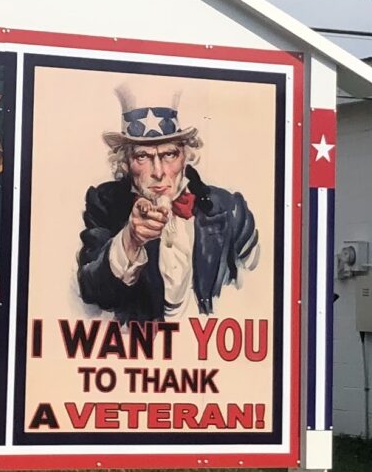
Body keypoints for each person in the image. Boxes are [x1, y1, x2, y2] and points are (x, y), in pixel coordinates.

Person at [77, 87, 259, 323]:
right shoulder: (105, 203)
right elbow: (92, 290)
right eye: (142, 156)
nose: (158, 172)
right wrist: (130, 240)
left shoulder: (229, 208)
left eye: (169, 154)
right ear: (125, 162)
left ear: (186, 155)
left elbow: (256, 288)